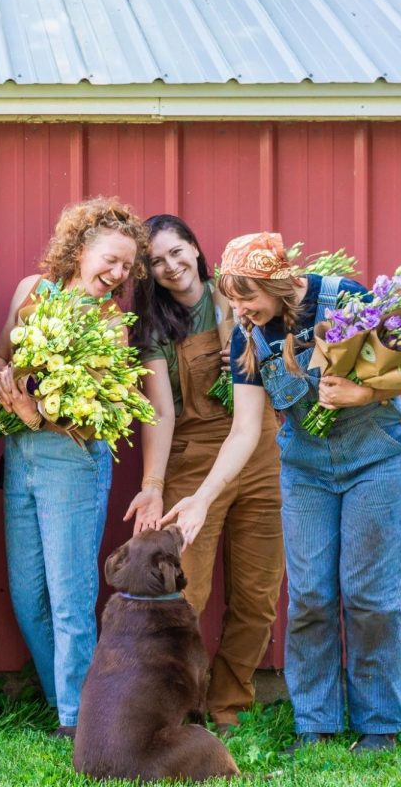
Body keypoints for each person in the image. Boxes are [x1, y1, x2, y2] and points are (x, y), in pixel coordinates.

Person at [162, 232, 401, 755]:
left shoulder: (345, 297)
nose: (240, 311)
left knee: (371, 596)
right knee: (310, 598)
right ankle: (316, 724)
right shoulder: (246, 336)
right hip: (305, 471)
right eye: (233, 301)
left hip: (378, 461)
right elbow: (243, 431)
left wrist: (364, 391)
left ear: (279, 285)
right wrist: (203, 497)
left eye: (249, 299)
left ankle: (379, 725)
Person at [0, 197, 148, 739]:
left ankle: (76, 719)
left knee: (70, 596)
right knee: (28, 593)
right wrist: (4, 379)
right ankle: (70, 696)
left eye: (127, 266)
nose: (117, 273)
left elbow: (103, 419)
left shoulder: (111, 326)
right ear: (80, 250)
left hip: (72, 463)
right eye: (110, 259)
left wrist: (42, 413)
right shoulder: (33, 291)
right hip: (18, 453)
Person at [123, 215, 284, 737]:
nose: (171, 267)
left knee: (258, 594)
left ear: (196, 247)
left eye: (177, 252)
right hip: (193, 462)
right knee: (184, 591)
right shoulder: (152, 328)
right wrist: (153, 484)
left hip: (261, 454)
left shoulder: (240, 298)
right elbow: (162, 414)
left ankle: (229, 700)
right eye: (157, 262)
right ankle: (176, 704)